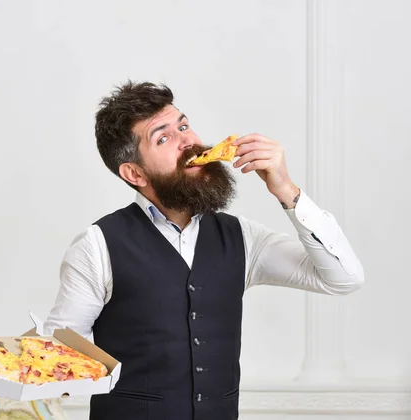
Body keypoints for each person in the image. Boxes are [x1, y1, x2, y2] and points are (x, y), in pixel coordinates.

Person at [43, 81, 364, 420]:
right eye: (163, 137)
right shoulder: (96, 245)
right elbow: (56, 357)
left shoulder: (243, 237)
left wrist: (287, 190)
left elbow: (344, 279)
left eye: (183, 125)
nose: (189, 142)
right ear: (134, 173)